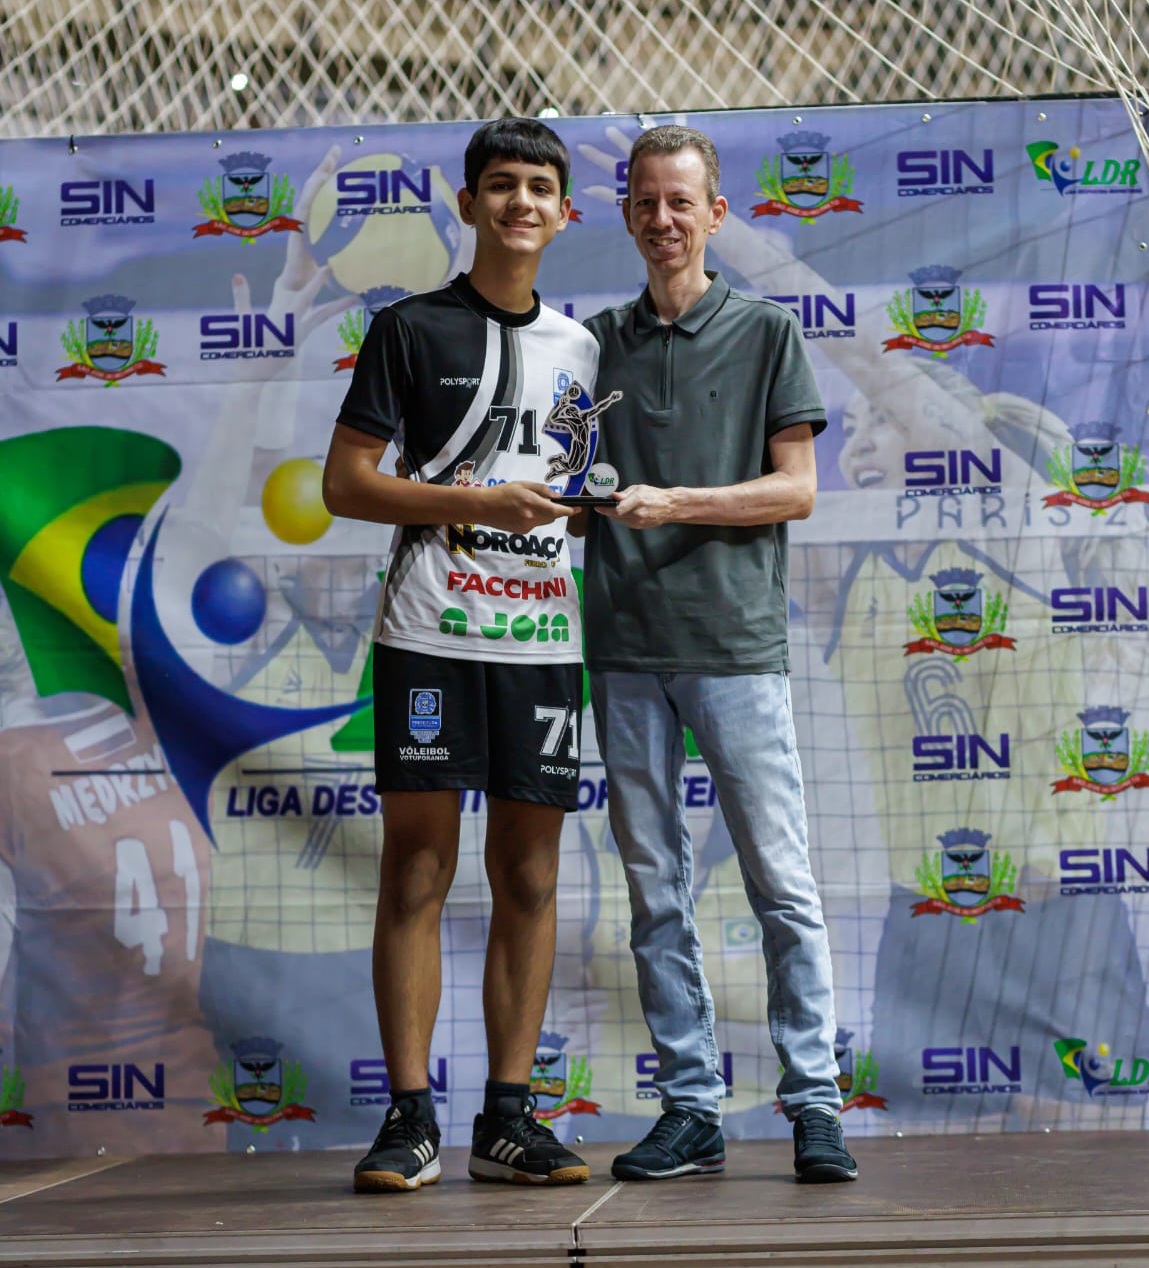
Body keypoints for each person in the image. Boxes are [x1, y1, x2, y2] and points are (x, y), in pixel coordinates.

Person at [322, 117, 613, 1192]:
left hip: (542, 638)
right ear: (468, 203)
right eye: (500, 184)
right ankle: (409, 1117)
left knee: (530, 872)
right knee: (417, 868)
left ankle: (508, 1116)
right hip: (430, 633)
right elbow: (345, 484)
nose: (519, 202)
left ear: (564, 212)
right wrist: (475, 501)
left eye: (538, 186)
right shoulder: (407, 328)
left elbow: (584, 495)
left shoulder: (585, 349)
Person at [581, 125, 857, 1183]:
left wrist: (678, 502)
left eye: (679, 201)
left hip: (733, 646)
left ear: (715, 214)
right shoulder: (589, 345)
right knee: (655, 889)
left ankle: (814, 1102)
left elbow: (797, 489)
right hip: (622, 647)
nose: (662, 219)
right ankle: (689, 1106)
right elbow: (562, 478)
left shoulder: (766, 332)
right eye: (645, 201)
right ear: (626, 215)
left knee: (780, 881)